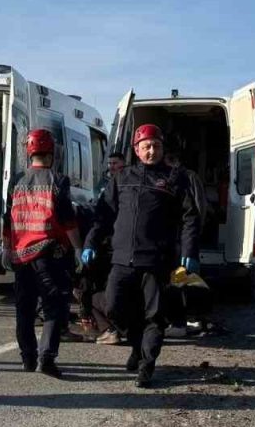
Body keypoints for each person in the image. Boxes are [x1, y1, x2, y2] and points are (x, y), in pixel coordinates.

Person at [82, 124, 200, 387]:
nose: (151, 150)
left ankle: (147, 365)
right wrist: (91, 242)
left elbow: (190, 217)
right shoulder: (122, 178)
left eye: (156, 145)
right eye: (146, 146)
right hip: (122, 259)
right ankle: (137, 345)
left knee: (154, 315)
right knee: (114, 307)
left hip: (156, 261)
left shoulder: (173, 179)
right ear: (136, 150)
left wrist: (189, 250)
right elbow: (103, 215)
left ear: (162, 148)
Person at [2, 129, 82, 377]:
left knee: (24, 309)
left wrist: (6, 248)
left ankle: (27, 358)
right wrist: (78, 249)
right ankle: (46, 358)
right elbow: (68, 220)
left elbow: (7, 219)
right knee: (53, 307)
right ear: (52, 153)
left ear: (29, 152)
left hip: (20, 256)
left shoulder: (16, 181)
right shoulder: (58, 181)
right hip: (48, 254)